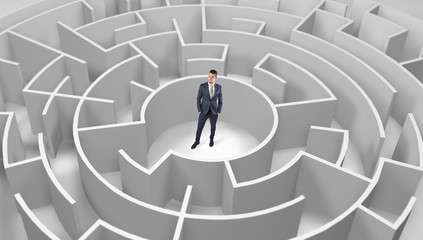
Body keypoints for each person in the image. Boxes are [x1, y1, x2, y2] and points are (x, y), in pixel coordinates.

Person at [191, 69, 223, 149]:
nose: (210, 78)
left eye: (212, 77)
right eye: (209, 76)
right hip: (203, 111)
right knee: (199, 127)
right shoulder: (202, 86)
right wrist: (199, 110)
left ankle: (211, 139)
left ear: (216, 77)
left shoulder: (219, 87)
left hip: (214, 111)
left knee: (213, 128)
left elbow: (221, 99)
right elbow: (198, 98)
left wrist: (219, 110)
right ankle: (197, 141)